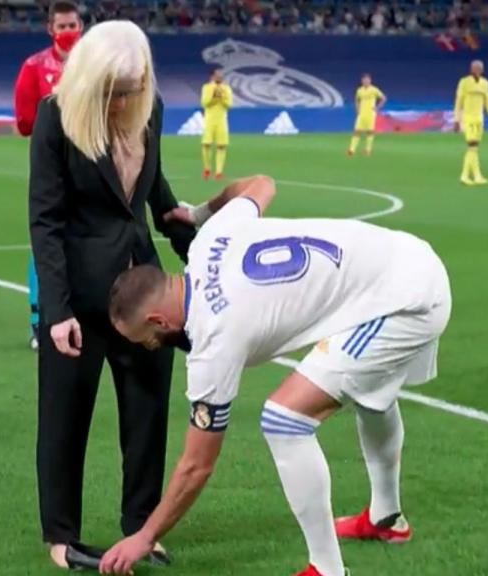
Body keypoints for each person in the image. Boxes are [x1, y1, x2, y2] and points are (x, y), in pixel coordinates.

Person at [99, 175, 452, 576]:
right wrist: (197, 212)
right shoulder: (209, 239)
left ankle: (327, 569)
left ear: (158, 319)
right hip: (407, 258)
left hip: (407, 302)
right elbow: (261, 184)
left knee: (285, 419)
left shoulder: (213, 339)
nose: (149, 346)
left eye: (145, 338)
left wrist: (144, 536)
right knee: (373, 391)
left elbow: (196, 466)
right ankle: (387, 519)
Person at [28, 19, 196, 570]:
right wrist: (56, 311)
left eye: (132, 89)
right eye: (115, 90)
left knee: (147, 416)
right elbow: (46, 220)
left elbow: (153, 186)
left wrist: (189, 237)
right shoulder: (57, 118)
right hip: (78, 296)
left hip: (144, 291)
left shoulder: (152, 108)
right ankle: (62, 536)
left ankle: (141, 529)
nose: (124, 99)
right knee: (64, 417)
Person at [14, 0, 82, 350]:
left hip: (90, 166)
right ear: (50, 29)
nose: (69, 33)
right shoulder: (34, 67)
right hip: (52, 168)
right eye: (63, 27)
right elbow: (24, 123)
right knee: (45, 240)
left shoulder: (93, 66)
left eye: (74, 26)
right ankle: (39, 320)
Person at [454, 60, 488, 186]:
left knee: (474, 148)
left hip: (479, 119)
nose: (477, 70)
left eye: (479, 68)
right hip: (467, 118)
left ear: (482, 70)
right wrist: (457, 119)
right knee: (472, 145)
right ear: (471, 69)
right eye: (475, 68)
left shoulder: (485, 84)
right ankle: (473, 175)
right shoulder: (464, 82)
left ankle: (467, 176)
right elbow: (459, 102)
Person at [200, 68, 233, 180]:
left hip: (221, 120)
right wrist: (214, 97)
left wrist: (222, 97)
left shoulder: (226, 88)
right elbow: (205, 103)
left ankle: (219, 171)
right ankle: (207, 168)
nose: (220, 76)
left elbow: (229, 104)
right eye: (217, 74)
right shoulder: (207, 87)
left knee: (221, 145)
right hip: (209, 120)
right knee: (206, 144)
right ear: (212, 76)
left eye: (221, 74)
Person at [347, 74, 385, 157]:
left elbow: (383, 98)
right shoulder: (359, 90)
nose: (366, 81)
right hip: (362, 114)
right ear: (362, 81)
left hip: (371, 114)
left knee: (370, 131)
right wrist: (357, 109)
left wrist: (377, 107)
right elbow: (357, 100)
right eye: (364, 80)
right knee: (357, 131)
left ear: (370, 81)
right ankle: (351, 150)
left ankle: (368, 150)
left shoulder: (374, 89)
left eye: (367, 80)